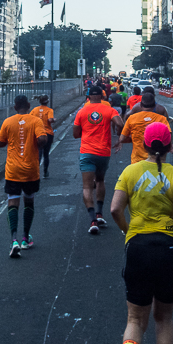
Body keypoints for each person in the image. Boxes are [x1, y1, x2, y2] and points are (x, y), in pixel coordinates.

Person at [110, 122, 173, 344]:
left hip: (139, 247)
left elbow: (114, 209)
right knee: (164, 317)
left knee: (135, 318)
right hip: (171, 249)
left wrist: (128, 230)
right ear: (170, 146)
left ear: (144, 145)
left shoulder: (130, 172)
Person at [0, 94, 49, 256]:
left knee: (13, 202)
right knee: (29, 201)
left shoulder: (8, 121)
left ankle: (14, 240)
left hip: (12, 171)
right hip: (30, 171)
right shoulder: (35, 121)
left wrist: (11, 138)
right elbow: (42, 139)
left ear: (14, 107)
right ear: (28, 104)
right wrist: (37, 140)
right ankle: (26, 238)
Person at [72, 85, 124, 234]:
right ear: (102, 96)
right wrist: (119, 139)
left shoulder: (81, 112)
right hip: (103, 152)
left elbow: (76, 134)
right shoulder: (109, 110)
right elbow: (120, 124)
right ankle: (100, 213)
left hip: (87, 152)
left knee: (87, 187)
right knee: (100, 181)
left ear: (88, 97)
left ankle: (92, 219)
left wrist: (87, 129)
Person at [32, 94, 56, 178]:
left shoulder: (35, 110)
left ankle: (35, 172)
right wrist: (54, 120)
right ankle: (45, 171)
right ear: (48, 101)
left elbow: (30, 118)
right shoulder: (49, 110)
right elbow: (50, 120)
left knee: (38, 153)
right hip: (48, 133)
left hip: (37, 133)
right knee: (46, 154)